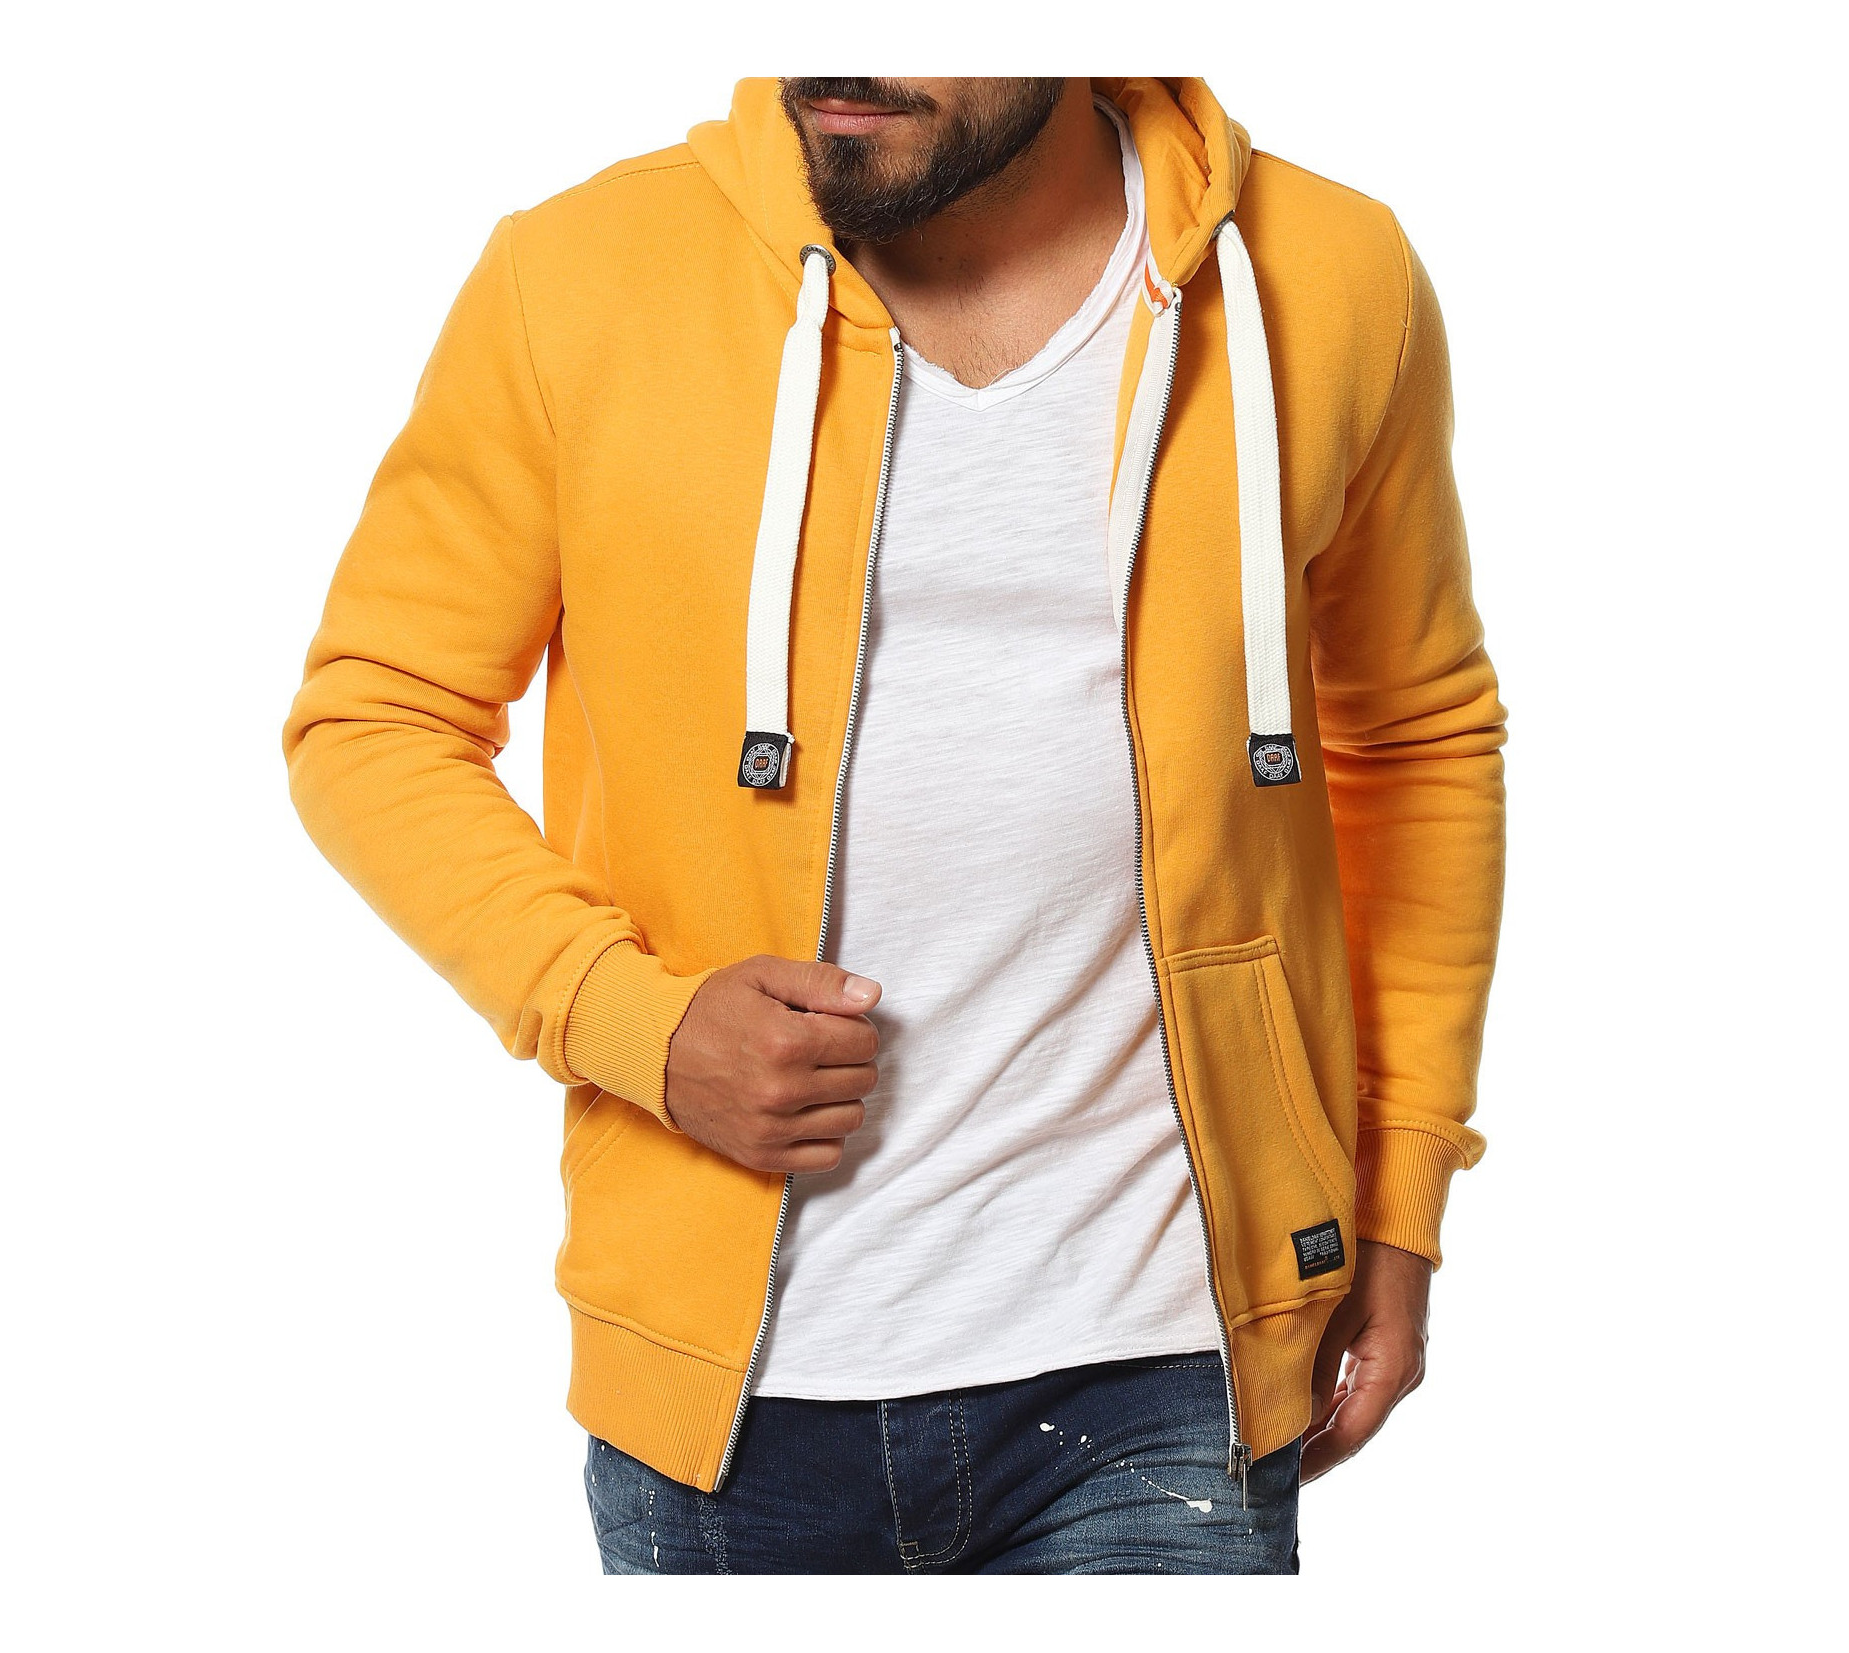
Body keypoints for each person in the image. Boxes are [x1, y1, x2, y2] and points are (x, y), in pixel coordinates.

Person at [283, 76, 1506, 1575]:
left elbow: (1418, 735)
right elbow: (376, 716)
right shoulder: (581, 276)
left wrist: (1399, 1194)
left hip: (1162, 1354)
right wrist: (632, 1020)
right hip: (734, 1394)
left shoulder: (1327, 275)